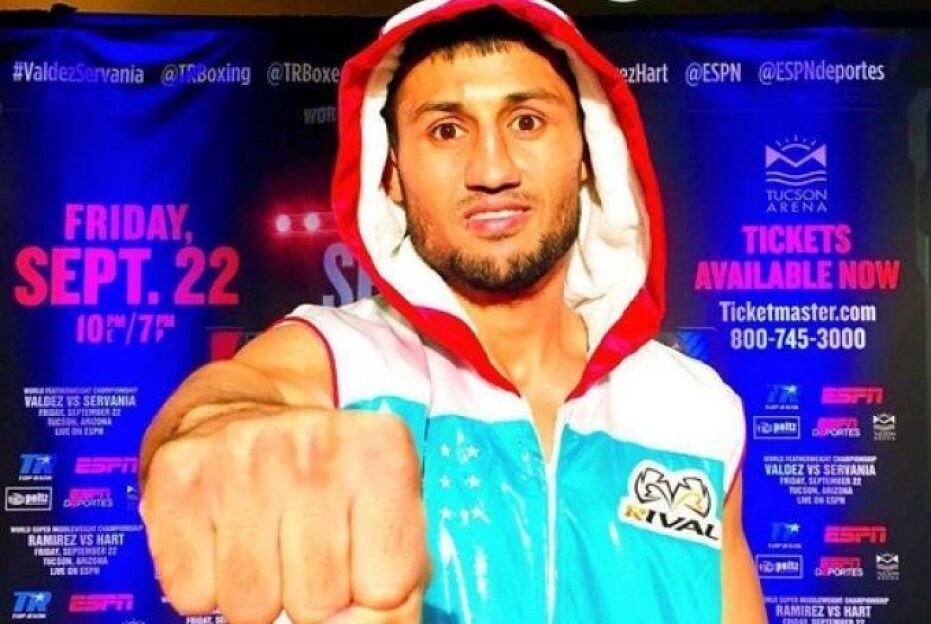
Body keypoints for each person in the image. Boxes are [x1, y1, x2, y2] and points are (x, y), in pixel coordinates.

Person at [139, 0, 767, 622]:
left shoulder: (695, 409)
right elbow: (238, 395)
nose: (492, 170)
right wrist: (226, 431)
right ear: (391, 173)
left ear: (587, 152)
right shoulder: (341, 359)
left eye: (526, 122)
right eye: (446, 130)